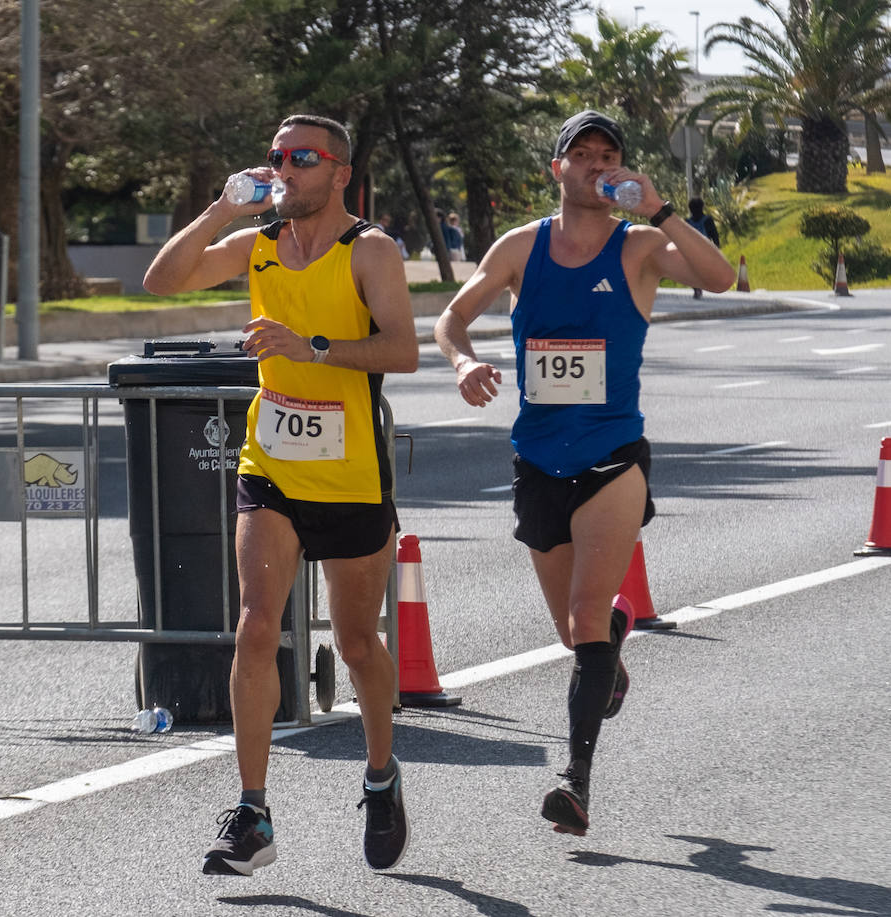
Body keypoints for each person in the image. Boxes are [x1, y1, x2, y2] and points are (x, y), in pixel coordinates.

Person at [433, 109, 734, 837]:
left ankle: (575, 781)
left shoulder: (640, 247)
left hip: (613, 457)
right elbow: (451, 318)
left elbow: (721, 279)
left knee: (584, 619)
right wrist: (463, 360)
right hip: (538, 457)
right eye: (583, 154)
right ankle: (610, 658)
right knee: (577, 634)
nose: (598, 165)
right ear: (557, 168)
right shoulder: (519, 247)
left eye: (611, 156)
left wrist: (660, 203)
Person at [143, 114, 418, 876]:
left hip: (352, 474)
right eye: (275, 158)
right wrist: (221, 208)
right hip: (271, 463)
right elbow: (161, 280)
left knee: (358, 642)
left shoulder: (369, 250)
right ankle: (254, 811)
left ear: (338, 172)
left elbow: (404, 348)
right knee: (257, 625)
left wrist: (314, 348)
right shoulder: (257, 244)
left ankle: (382, 775)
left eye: (301, 158)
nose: (284, 170)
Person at [684, 198, 722, 299]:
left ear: (690, 209)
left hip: (691, 250)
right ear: (702, 207)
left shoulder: (687, 221)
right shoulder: (708, 220)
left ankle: (697, 287)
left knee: (692, 270)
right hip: (705, 249)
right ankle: (701, 285)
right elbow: (714, 235)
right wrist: (717, 247)